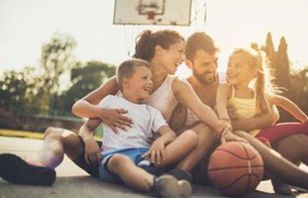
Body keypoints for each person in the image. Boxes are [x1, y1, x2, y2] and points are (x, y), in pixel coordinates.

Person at [36, 29, 240, 183]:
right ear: (159, 50)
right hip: (112, 153)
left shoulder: (176, 84)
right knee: (56, 133)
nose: (182, 58)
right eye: (179, 51)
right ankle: (41, 169)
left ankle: (178, 174)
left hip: (149, 157)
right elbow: (79, 107)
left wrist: (225, 130)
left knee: (206, 127)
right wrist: (100, 117)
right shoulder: (125, 77)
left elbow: (202, 110)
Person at [169, 32, 308, 195]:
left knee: (297, 141)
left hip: (254, 151)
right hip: (216, 161)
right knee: (240, 134)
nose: (213, 68)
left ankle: (297, 177)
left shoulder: (228, 79)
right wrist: (221, 120)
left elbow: (272, 115)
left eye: (216, 61)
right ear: (189, 63)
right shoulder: (180, 88)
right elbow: (179, 136)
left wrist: (246, 122)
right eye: (206, 64)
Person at [82, 58, 199, 197]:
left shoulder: (151, 112)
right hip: (114, 158)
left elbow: (170, 134)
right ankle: (158, 185)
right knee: (120, 160)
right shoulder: (110, 101)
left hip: (145, 158)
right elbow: (86, 128)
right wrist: (89, 140)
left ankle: (149, 173)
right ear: (126, 82)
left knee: (191, 136)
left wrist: (160, 141)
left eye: (151, 78)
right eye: (145, 78)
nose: (150, 82)